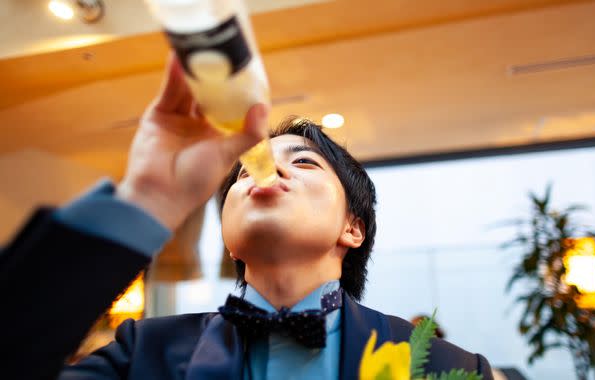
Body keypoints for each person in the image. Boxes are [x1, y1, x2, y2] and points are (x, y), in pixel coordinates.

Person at [1, 56, 493, 380]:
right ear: (228, 240)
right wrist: (146, 197)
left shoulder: (444, 366)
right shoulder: (141, 354)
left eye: (303, 161)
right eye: (241, 173)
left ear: (353, 228)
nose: (269, 167)